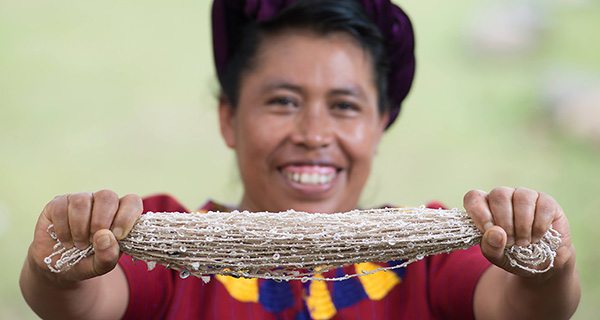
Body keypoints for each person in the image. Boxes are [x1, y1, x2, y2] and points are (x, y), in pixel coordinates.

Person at [20, 0, 580, 319]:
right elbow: (82, 303)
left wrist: (543, 265)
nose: (314, 134)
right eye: (283, 101)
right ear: (227, 118)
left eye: (344, 105)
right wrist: (62, 262)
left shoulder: (431, 264)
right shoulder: (156, 242)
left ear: (381, 122)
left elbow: (524, 308)